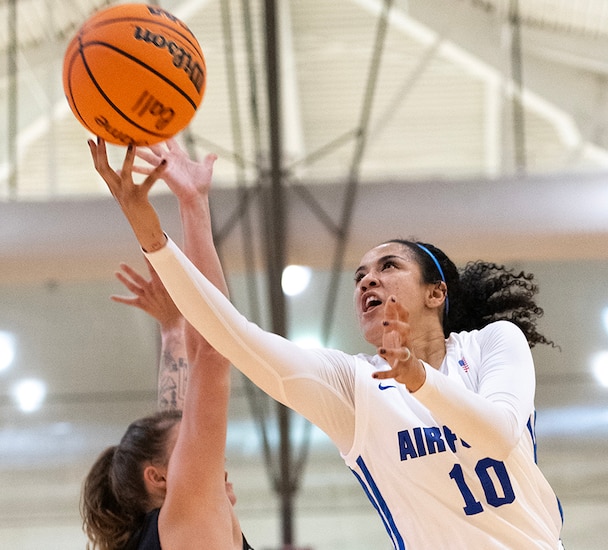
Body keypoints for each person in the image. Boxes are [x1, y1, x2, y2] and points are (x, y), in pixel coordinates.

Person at [89, 136, 564, 549]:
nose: (366, 281)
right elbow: (230, 337)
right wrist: (153, 233)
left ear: (436, 292)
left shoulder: (494, 344)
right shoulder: (352, 385)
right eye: (359, 276)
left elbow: (499, 433)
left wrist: (418, 380)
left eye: (388, 267)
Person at [81, 141, 254, 549]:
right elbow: (212, 350)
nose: (213, 449)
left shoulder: (166, 527)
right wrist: (190, 204)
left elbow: (182, 403)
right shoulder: (185, 517)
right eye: (191, 439)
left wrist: (174, 332)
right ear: (158, 477)